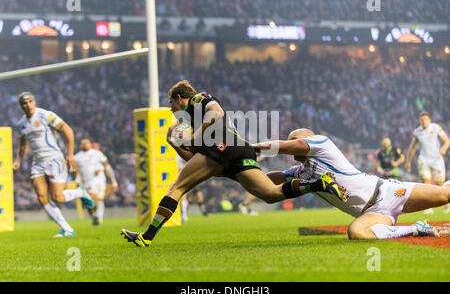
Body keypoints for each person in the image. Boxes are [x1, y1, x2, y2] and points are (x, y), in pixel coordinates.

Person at [121, 80, 343, 247]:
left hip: (223, 147)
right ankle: (317, 184)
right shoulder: (198, 125)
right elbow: (194, 160)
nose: (171, 109)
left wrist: (191, 138)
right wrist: (174, 144)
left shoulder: (198, 99)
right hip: (238, 150)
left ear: (179, 97)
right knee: (270, 194)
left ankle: (147, 237)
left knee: (176, 188)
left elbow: (216, 113)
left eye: (171, 103)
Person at [253, 128, 449, 240]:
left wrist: (253, 149)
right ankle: (417, 228)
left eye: (295, 139)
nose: (291, 144)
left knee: (445, 195)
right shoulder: (300, 172)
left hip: (388, 193)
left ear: (308, 138)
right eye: (289, 140)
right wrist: (244, 170)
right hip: (372, 214)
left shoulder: (322, 143)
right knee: (355, 232)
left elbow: (283, 147)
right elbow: (273, 178)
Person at [13, 92, 95, 237]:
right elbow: (22, 144)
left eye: (30, 101)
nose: (28, 105)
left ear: (34, 101)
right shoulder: (21, 124)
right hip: (38, 163)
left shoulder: (46, 115)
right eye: (25, 103)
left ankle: (80, 192)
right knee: (41, 196)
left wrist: (70, 154)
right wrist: (18, 160)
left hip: (54, 159)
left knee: (57, 197)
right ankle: (67, 229)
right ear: (21, 106)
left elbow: (67, 130)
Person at [406, 111, 449, 214]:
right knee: (426, 183)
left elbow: (447, 141)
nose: (423, 121)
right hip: (424, 159)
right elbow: (412, 147)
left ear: (430, 120)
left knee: (440, 183)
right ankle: (428, 207)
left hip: (437, 159)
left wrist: (443, 149)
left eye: (425, 119)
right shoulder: (417, 132)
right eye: (421, 120)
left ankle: (447, 205)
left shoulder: (436, 128)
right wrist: (408, 162)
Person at [74, 138, 118, 226]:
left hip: (99, 180)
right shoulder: (77, 157)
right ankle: (94, 216)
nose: (84, 145)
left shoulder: (97, 153)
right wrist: (77, 179)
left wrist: (113, 180)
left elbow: (106, 165)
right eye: (82, 144)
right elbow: (76, 170)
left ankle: (98, 218)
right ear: (80, 145)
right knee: (92, 199)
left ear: (90, 144)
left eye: (86, 143)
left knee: (100, 198)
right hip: (87, 181)